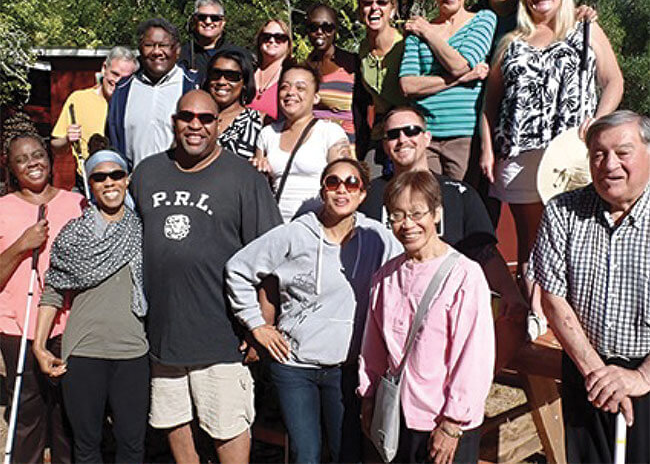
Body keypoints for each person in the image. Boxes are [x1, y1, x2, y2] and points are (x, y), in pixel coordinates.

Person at [129, 89, 282, 464]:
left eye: (205, 118)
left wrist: (261, 325)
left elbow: (271, 259)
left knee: (227, 431)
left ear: (218, 124)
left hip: (221, 334)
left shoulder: (243, 178)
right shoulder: (148, 173)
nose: (195, 125)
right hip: (163, 334)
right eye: (187, 117)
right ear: (174, 121)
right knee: (174, 425)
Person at [226, 157, 401, 463]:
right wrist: (256, 324)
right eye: (333, 182)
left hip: (346, 369)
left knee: (345, 452)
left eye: (351, 183)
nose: (341, 190)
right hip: (295, 366)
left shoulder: (378, 238)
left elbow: (407, 272)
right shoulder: (295, 234)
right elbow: (238, 269)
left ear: (363, 194)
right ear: (323, 191)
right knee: (304, 453)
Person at [479, 0, 624, 327]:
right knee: (531, 243)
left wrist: (597, 121)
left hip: (571, 155)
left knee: (575, 239)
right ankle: (535, 320)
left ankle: (575, 322)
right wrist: (487, 147)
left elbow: (614, 81)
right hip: (519, 154)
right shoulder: (512, 41)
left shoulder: (585, 29)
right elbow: (491, 101)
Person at [359, 106, 527, 372]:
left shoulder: (458, 193)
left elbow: (483, 250)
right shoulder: (368, 195)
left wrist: (510, 294)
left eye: (411, 131)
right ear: (385, 145)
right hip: (384, 314)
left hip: (443, 315)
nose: (402, 139)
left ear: (427, 138)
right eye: (393, 135)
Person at [529, 111, 650, 463]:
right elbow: (553, 299)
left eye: (622, 152)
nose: (609, 163)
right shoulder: (563, 212)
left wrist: (641, 376)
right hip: (586, 372)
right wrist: (598, 374)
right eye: (598, 153)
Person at [358, 170, 495, 463]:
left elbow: (473, 357)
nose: (407, 224)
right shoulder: (385, 276)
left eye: (416, 213)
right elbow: (374, 346)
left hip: (442, 420)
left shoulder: (464, 276)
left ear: (436, 213)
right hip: (395, 415)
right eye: (397, 216)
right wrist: (369, 397)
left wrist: (453, 422)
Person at [33, 145, 149, 463]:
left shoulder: (143, 230)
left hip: (132, 353)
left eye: (116, 174)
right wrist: (40, 346)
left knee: (132, 445)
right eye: (100, 177)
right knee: (85, 446)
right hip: (83, 353)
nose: (109, 182)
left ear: (127, 180)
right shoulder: (73, 235)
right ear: (91, 185)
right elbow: (53, 290)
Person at [0, 130, 85, 463]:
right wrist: (22, 244)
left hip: (69, 322)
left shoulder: (76, 202)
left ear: (49, 159)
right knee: (28, 407)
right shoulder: (3, 208)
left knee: (68, 408)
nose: (31, 163)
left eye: (37, 154)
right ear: (11, 169)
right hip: (17, 324)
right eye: (21, 159)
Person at [399, 0, 496, 181]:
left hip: (464, 136)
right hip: (425, 135)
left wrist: (429, 33)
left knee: (461, 202)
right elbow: (407, 85)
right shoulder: (417, 32)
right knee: (428, 204)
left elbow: (459, 64)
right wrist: (459, 80)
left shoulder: (482, 20)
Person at [252, 62, 349, 223]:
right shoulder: (267, 134)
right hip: (276, 227)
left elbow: (345, 181)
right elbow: (259, 187)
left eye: (300, 88)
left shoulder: (330, 132)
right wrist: (257, 168)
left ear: (316, 97)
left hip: (317, 226)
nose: (291, 92)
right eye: (284, 87)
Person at [106, 18, 199, 170]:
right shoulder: (123, 91)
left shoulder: (192, 86)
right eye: (149, 45)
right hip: (134, 184)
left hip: (180, 184)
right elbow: (113, 139)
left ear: (177, 50)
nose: (157, 52)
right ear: (140, 49)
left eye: (163, 45)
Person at [51, 46, 138, 188]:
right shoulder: (78, 100)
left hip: (125, 182)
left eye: (124, 78)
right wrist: (67, 139)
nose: (117, 81)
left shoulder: (135, 104)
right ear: (104, 68)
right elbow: (55, 147)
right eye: (114, 74)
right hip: (88, 181)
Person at [356, 0, 409, 176]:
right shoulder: (362, 50)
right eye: (368, 3)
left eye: (382, 2)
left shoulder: (405, 45)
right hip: (380, 132)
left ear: (392, 9)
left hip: (408, 130)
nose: (374, 8)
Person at [305, 3, 365, 146]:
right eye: (314, 28)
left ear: (335, 30)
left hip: (345, 147)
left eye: (327, 28)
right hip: (312, 146)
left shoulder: (351, 64)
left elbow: (364, 109)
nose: (320, 32)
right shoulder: (305, 67)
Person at [203, 46, 263, 159]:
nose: (221, 81)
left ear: (244, 83)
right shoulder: (194, 118)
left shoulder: (258, 122)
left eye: (231, 76)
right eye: (216, 74)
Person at [178, 0, 228, 84]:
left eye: (214, 18)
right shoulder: (180, 55)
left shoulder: (237, 55)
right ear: (194, 20)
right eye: (202, 17)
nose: (208, 21)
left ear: (223, 22)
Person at [248, 19, 292, 121]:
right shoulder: (248, 72)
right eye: (266, 37)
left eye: (279, 37)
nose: (272, 40)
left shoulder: (291, 76)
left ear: (288, 43)